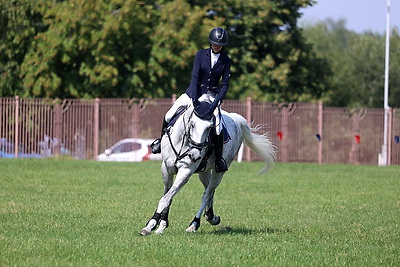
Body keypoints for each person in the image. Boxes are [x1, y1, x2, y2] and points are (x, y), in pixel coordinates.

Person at [150, 27, 231, 173]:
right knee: (169, 114)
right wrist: (193, 97)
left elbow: (224, 85)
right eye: (214, 43)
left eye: (219, 44)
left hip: (212, 96)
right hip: (194, 92)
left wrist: (216, 102)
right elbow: (194, 76)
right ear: (210, 42)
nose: (217, 46)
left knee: (218, 127)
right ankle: (160, 142)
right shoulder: (200, 54)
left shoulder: (226, 61)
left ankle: (218, 159)